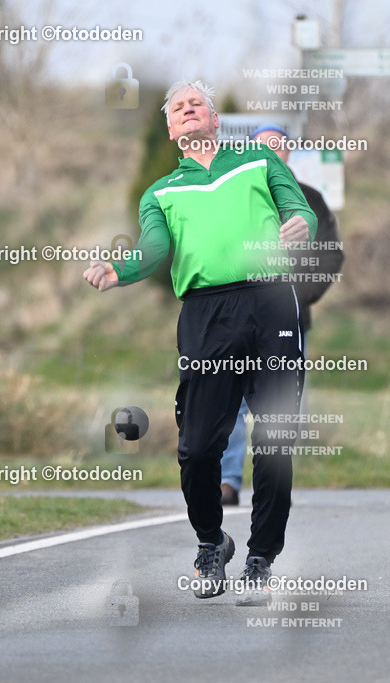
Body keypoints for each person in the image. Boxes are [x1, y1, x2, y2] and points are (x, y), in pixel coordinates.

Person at [83, 80, 317, 604]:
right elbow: (152, 249)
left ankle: (261, 558)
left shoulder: (257, 159)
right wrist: (117, 270)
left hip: (271, 303)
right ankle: (212, 543)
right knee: (195, 449)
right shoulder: (161, 193)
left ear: (213, 118)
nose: (187, 110)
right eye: (177, 108)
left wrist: (300, 223)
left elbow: (301, 210)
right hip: (206, 317)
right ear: (171, 129)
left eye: (196, 103)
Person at [220, 124, 344, 506]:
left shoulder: (311, 200)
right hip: (238, 318)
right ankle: (227, 481)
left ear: (289, 152)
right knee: (233, 400)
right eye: (263, 147)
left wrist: (301, 294)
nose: (272, 153)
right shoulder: (233, 198)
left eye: (278, 146)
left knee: (278, 405)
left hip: (289, 321)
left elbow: (330, 254)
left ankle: (270, 486)